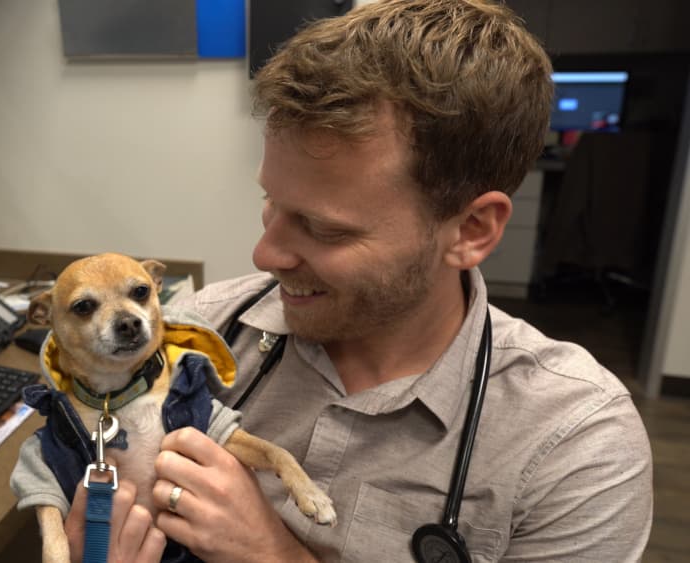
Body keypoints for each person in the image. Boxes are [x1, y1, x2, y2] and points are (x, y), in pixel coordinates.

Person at [58, 0, 653, 561]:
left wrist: (272, 553)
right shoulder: (204, 330)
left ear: (471, 230)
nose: (265, 254)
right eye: (272, 202)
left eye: (323, 228)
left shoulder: (576, 447)